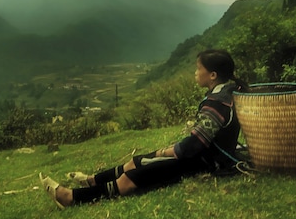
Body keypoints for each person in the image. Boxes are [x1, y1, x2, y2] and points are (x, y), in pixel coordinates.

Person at [40, 49, 247, 208]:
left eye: (198, 68)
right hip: (203, 156)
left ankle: (70, 198)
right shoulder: (226, 93)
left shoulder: (217, 103)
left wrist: (165, 152)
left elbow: (194, 145)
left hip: (206, 162)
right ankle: (92, 180)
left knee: (130, 179)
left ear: (212, 75)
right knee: (135, 162)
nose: (195, 73)